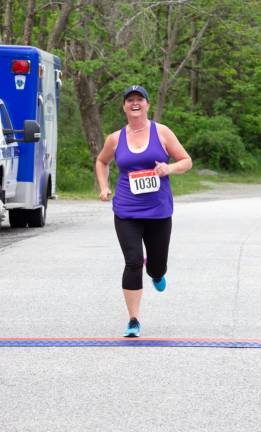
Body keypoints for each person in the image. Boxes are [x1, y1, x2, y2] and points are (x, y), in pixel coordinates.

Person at [96, 85, 192, 337]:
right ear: (124, 106)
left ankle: (156, 271)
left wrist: (168, 169)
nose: (135, 103)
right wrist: (104, 186)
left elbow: (186, 161)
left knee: (157, 266)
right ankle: (133, 320)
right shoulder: (115, 138)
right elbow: (101, 161)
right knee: (133, 261)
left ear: (147, 105)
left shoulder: (161, 132)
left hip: (158, 211)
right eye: (130, 100)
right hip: (126, 210)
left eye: (140, 99)